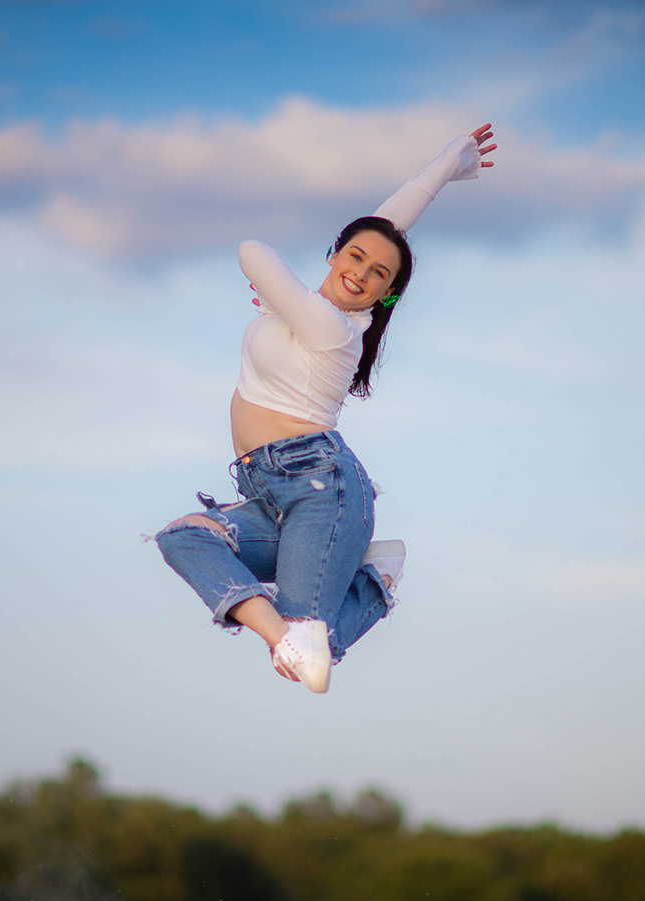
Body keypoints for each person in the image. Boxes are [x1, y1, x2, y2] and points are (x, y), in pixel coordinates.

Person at [155, 124, 499, 694]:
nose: (360, 273)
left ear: (385, 295)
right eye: (354, 256)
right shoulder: (313, 308)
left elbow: (251, 252)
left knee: (310, 667)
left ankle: (357, 591)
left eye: (377, 275)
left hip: (320, 489)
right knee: (183, 538)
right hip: (269, 492)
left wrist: (278, 294)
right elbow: (385, 228)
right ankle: (310, 617)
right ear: (335, 252)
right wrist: (447, 164)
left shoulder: (330, 327)